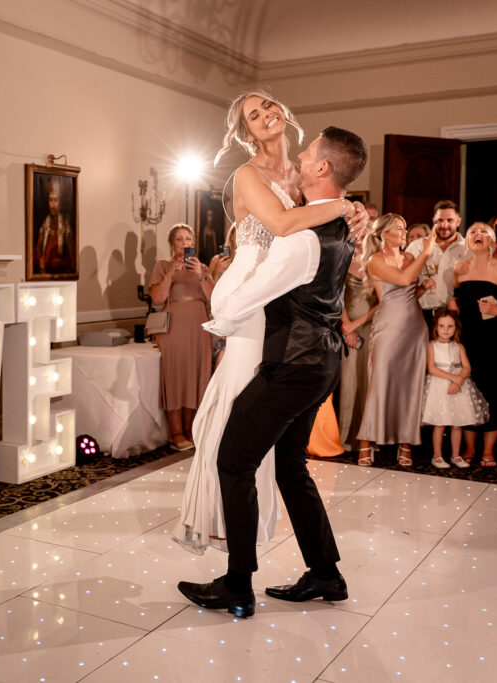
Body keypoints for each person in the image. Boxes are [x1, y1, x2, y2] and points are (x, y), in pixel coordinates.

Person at [177, 125, 368, 618]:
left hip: (292, 365)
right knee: (290, 466)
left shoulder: (300, 238)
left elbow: (240, 300)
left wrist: (222, 297)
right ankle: (326, 573)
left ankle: (237, 584)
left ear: (323, 167)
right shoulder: (341, 227)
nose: (300, 157)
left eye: (309, 153)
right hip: (321, 363)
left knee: (232, 460)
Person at [356, 214, 436, 466]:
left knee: (410, 386)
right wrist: (427, 253)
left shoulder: (410, 257)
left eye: (404, 228)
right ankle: (367, 442)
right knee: (380, 383)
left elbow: (410, 290)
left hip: (414, 326)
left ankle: (405, 442)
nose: (404, 232)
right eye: (399, 228)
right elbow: (403, 280)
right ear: (384, 234)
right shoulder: (375, 260)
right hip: (388, 327)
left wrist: (424, 288)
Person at [448, 222, 497, 466]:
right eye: (473, 232)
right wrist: (453, 307)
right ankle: (469, 448)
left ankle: (488, 450)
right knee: (468, 393)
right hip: (467, 341)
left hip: (496, 341)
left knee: (494, 392)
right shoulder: (458, 269)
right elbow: (456, 302)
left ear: (491, 239)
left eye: (483, 232)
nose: (478, 235)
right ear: (467, 240)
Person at [149, 224, 214, 451]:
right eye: (180, 239)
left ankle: (189, 430)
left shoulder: (202, 268)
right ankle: (176, 433)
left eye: (188, 239)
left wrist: (203, 275)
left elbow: (214, 298)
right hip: (175, 327)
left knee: (196, 377)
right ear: (172, 243)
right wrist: (170, 274)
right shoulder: (162, 265)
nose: (185, 243)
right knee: (176, 377)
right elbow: (157, 298)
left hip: (199, 327)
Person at [421, 310, 489, 468]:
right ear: (436, 328)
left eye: (450, 326)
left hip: (458, 388)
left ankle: (455, 455)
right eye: (442, 326)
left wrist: (458, 382)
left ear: (456, 328)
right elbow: (431, 368)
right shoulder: (432, 345)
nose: (446, 329)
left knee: (457, 423)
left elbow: (467, 367)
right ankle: (437, 456)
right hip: (440, 387)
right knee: (440, 423)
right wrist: (453, 378)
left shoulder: (459, 347)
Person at [337, 242, 378, 451]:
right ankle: (344, 436)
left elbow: (383, 300)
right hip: (348, 330)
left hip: (372, 327)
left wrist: (359, 323)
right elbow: (337, 296)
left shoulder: (377, 265)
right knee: (349, 381)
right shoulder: (342, 261)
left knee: (369, 381)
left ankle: (367, 437)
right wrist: (347, 327)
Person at [405, 200, 466, 328]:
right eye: (440, 221)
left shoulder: (468, 249)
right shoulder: (416, 246)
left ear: (458, 222)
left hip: (454, 317)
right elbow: (404, 282)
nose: (444, 225)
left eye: (450, 220)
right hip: (420, 315)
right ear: (434, 220)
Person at [35, 180, 74, 274]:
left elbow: (73, 257)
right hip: (45, 273)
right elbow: (37, 249)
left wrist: (61, 263)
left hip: (60, 274)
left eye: (55, 200)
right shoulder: (45, 224)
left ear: (61, 202)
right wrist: (40, 259)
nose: (52, 205)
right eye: (50, 200)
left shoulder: (65, 225)